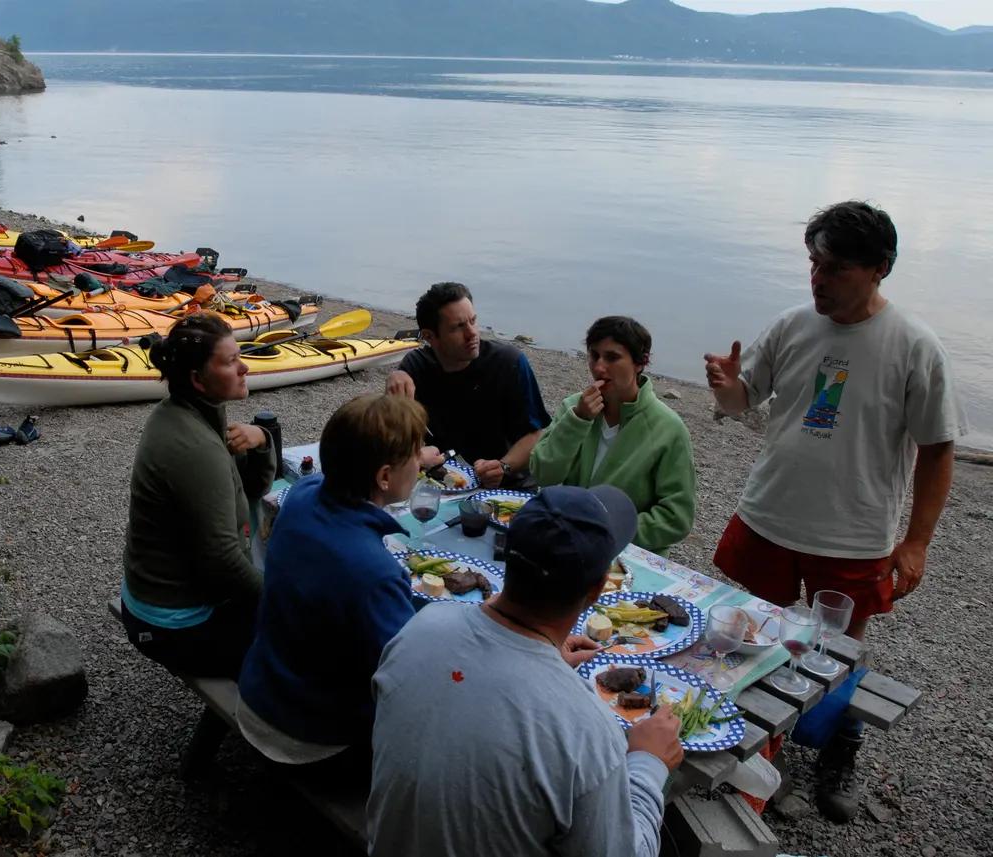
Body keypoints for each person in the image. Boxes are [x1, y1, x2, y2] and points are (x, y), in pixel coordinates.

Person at [704, 200, 965, 822]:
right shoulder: (794, 324)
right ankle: (734, 734)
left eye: (836, 267)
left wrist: (917, 541)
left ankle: (834, 743)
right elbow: (746, 402)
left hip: (852, 534)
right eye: (814, 263)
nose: (818, 279)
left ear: (880, 269)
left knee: (839, 650)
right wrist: (727, 388)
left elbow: (937, 450)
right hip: (768, 511)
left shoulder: (915, 346)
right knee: (741, 634)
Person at [367, 485, 684, 857]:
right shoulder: (588, 730)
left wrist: (540, 663)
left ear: (505, 556)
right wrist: (648, 764)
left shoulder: (421, 627)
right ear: (598, 589)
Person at [236, 394, 425, 774]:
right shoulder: (374, 572)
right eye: (416, 457)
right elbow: (408, 671)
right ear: (384, 477)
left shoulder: (302, 496)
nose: (420, 464)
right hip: (307, 739)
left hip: (260, 690)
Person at [119, 314, 275, 679]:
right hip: (175, 626)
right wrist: (283, 603)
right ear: (197, 379)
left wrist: (263, 440)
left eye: (240, 356)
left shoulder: (184, 414)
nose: (245, 367)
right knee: (315, 650)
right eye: (231, 361)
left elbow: (252, 489)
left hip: (162, 596)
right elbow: (223, 564)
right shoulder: (194, 446)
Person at [529, 316, 695, 555]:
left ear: (641, 362)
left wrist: (609, 531)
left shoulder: (668, 429)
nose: (598, 367)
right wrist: (578, 421)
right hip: (569, 545)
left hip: (629, 556)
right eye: (594, 355)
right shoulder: (574, 407)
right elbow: (543, 473)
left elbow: (677, 517)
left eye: (612, 357)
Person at [385, 281, 551, 488]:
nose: (472, 333)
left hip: (505, 488)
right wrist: (393, 385)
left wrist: (504, 466)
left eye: (473, 321)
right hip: (442, 483)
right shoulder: (416, 367)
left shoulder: (509, 363)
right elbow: (394, 434)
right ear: (429, 336)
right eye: (458, 327)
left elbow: (535, 433)